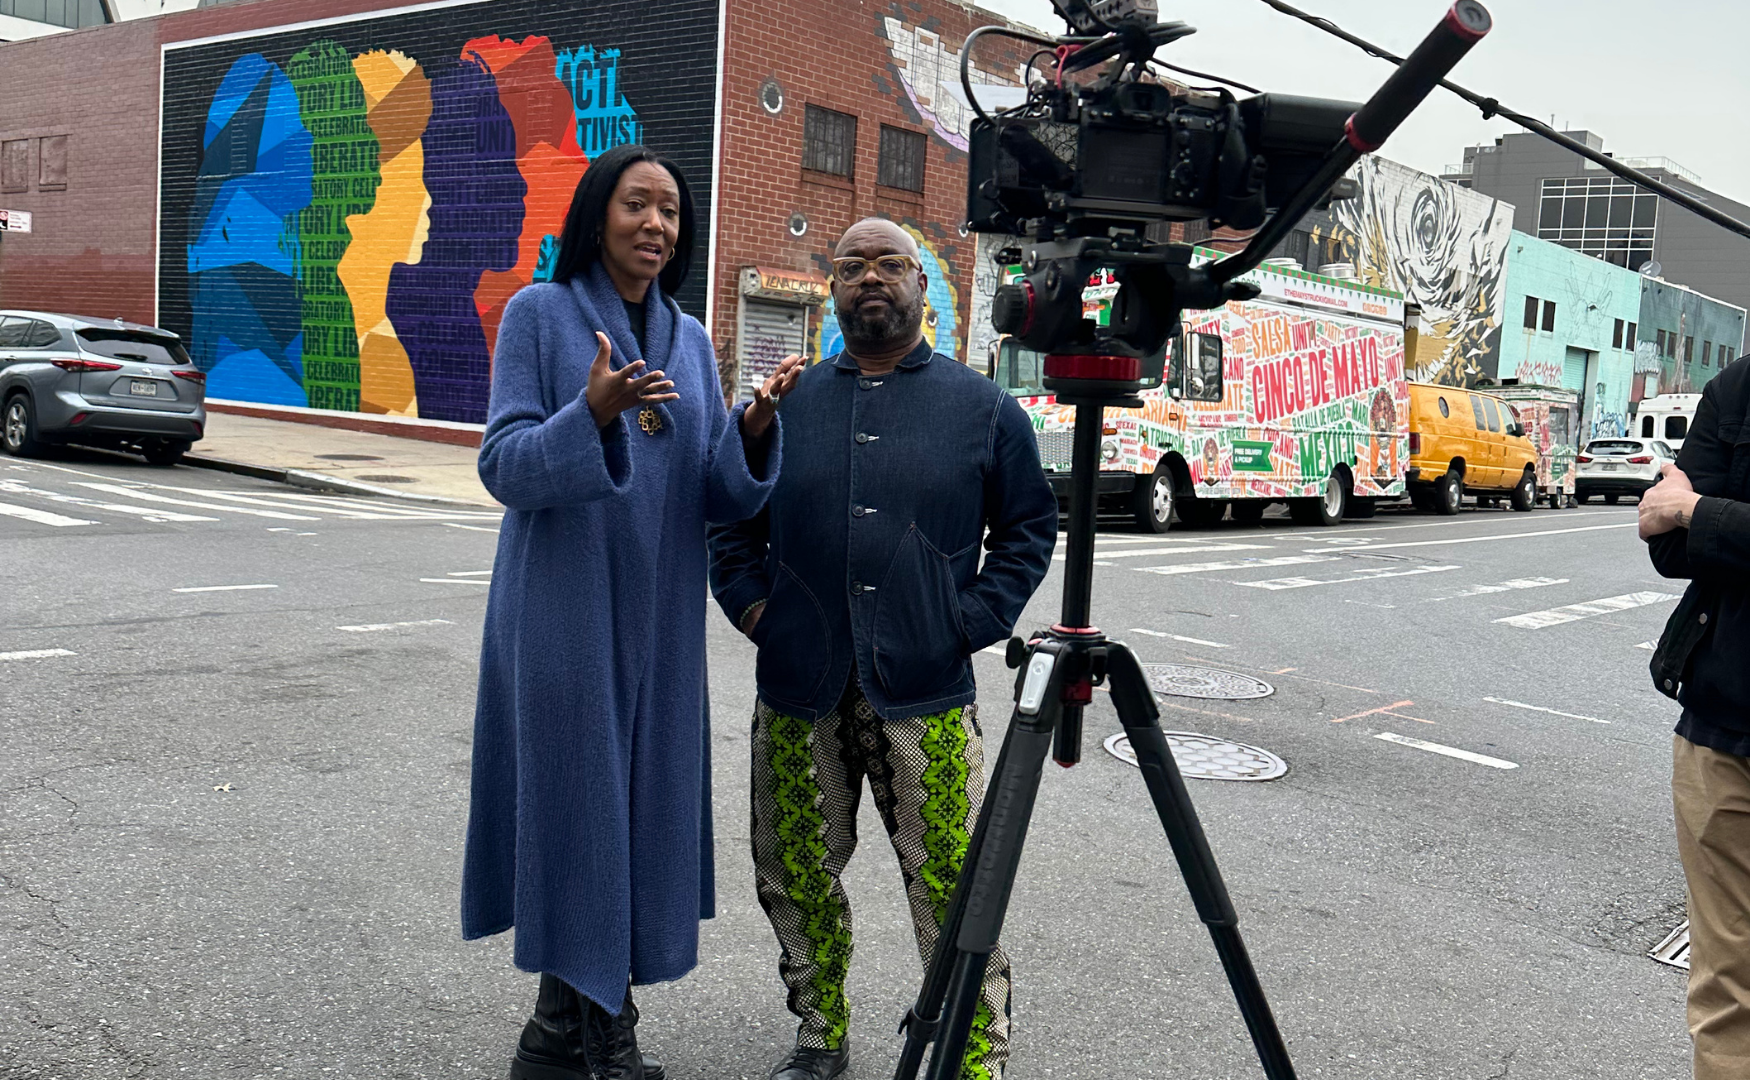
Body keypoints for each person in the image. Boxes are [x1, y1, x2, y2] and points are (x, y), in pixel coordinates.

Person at [461, 144, 804, 1080]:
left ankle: (557, 1034)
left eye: (671, 212)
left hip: (658, 616)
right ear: (595, 214)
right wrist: (592, 416)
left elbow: (713, 491)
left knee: (639, 816)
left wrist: (754, 432)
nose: (656, 225)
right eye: (636, 206)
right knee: (582, 809)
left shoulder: (689, 339)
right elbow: (503, 467)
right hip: (561, 609)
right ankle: (601, 1039)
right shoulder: (539, 315)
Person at [709, 218, 1058, 1080]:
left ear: (922, 286)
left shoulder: (983, 409)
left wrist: (967, 621)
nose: (871, 276)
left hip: (926, 693)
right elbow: (730, 522)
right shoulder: (786, 404)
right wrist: (757, 612)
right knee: (792, 869)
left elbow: (1027, 530)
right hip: (799, 685)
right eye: (851, 264)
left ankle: (973, 1049)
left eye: (890, 263)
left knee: (950, 880)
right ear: (831, 289)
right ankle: (821, 1031)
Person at [1643, 353, 1750, 1080]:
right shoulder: (1738, 389)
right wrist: (1689, 518)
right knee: (1725, 984)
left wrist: (1702, 512)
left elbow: (1688, 515)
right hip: (1722, 730)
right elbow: (1668, 539)